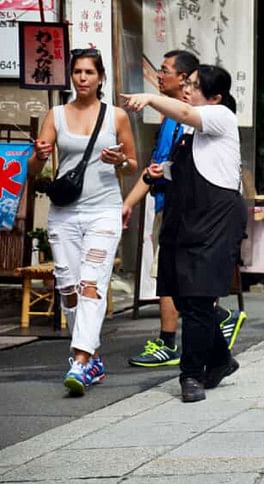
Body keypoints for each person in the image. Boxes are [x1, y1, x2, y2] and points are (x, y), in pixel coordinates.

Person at [121, 65, 247, 402]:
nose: (187, 90)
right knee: (184, 297)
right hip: (184, 220)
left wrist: (150, 98)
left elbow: (187, 112)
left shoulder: (220, 116)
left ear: (215, 97)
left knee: (198, 297)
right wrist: (160, 174)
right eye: (187, 83)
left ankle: (190, 375)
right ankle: (220, 359)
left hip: (215, 220)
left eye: (194, 85)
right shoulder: (187, 132)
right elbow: (189, 170)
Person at [29, 49, 138, 395]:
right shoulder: (56, 115)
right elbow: (34, 171)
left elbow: (132, 164)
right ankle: (91, 359)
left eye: (89, 72)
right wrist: (39, 157)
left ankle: (80, 359)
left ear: (101, 77)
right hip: (65, 212)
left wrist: (120, 160)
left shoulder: (116, 116)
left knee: (91, 283)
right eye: (77, 72)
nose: (82, 78)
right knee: (68, 287)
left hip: (104, 209)